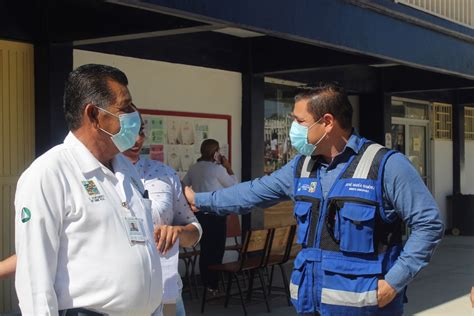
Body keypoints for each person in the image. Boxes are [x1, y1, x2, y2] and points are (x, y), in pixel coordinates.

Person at [184, 83, 444, 315]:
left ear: (327, 122)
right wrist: (200, 199)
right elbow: (252, 192)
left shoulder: (385, 165)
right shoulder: (302, 167)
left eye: (299, 121)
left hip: (366, 306)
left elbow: (428, 224)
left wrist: (394, 282)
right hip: (311, 303)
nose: (293, 129)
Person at [14, 64, 162, 315]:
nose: (134, 115)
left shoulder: (126, 169)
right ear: (93, 115)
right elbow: (34, 275)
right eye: (124, 107)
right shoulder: (49, 173)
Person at [123, 107, 202, 316]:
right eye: (129, 132)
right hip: (118, 299)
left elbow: (194, 229)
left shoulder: (164, 174)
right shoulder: (98, 177)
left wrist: (178, 233)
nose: (137, 140)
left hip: (166, 291)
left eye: (140, 132)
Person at [182, 139, 237, 295]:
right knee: (217, 250)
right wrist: (228, 167)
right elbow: (233, 185)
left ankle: (207, 284)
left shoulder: (194, 168)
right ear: (215, 153)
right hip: (216, 213)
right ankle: (214, 285)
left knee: (206, 250)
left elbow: (183, 184)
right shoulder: (217, 169)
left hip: (200, 214)